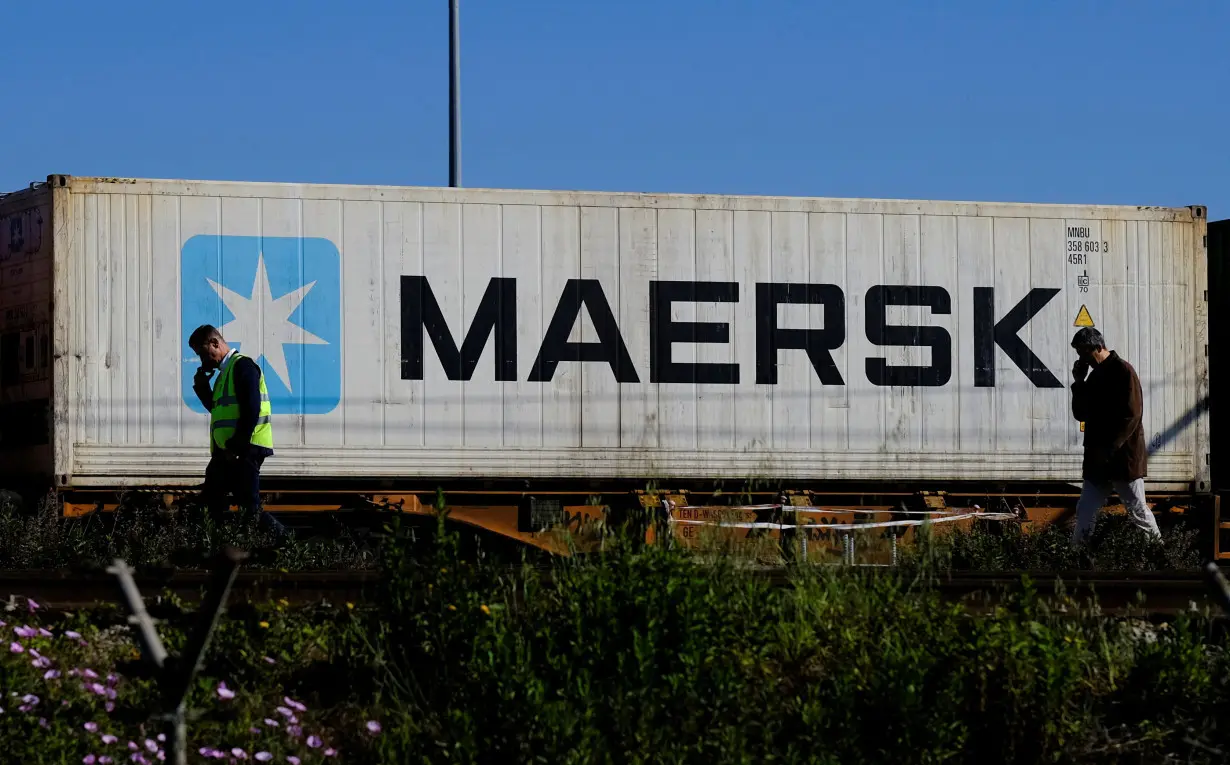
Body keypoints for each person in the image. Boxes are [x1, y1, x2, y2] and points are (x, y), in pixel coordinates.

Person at [188, 324, 288, 540]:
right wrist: (202, 387)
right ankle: (217, 547)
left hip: (244, 449)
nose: (203, 360)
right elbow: (220, 410)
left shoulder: (242, 366)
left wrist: (237, 447)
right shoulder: (225, 373)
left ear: (215, 343)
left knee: (248, 507)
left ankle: (286, 543)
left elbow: (251, 409)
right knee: (212, 502)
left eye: (203, 353)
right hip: (230, 451)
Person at [1068, 326, 1160, 546]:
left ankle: (1159, 554)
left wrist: (1110, 448)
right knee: (1086, 510)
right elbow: (1080, 413)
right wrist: (1078, 382)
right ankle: (1077, 555)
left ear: (1097, 347)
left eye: (1083, 352)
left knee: (1137, 509)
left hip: (1120, 458)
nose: (1081, 358)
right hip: (1100, 459)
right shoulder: (1095, 376)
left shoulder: (1123, 371)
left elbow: (1132, 415)